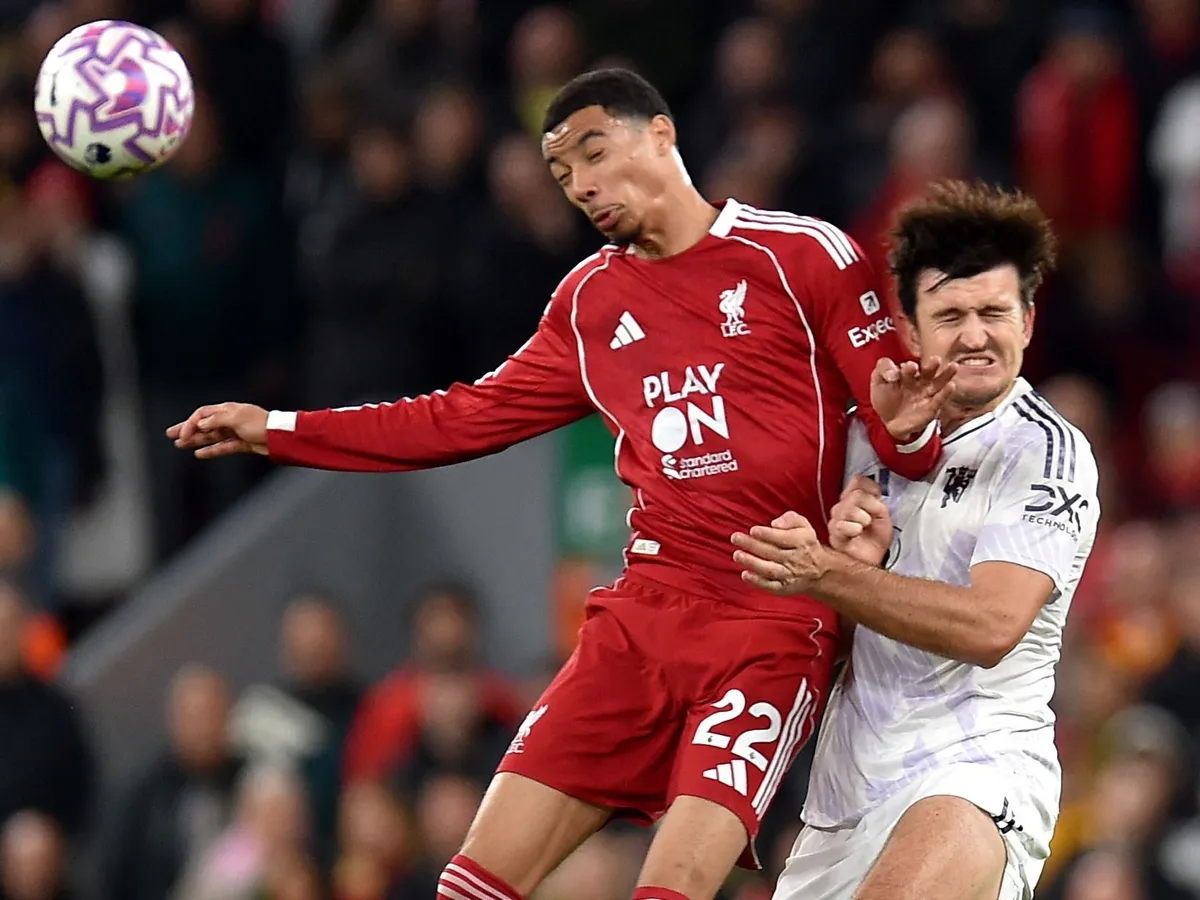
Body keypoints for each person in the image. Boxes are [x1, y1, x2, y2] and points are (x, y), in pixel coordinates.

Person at [168, 68, 955, 900]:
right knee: (468, 887)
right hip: (641, 621)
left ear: (660, 135)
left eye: (593, 152)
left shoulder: (805, 257)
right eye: (561, 173)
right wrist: (279, 429)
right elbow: (457, 418)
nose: (581, 184)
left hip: (771, 624)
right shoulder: (588, 304)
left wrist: (907, 427)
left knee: (671, 890)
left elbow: (908, 447)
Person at [730, 180, 1099, 900]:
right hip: (843, 799)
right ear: (910, 328)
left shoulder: (1044, 451)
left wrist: (831, 573)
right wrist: (844, 583)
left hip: (975, 774)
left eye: (994, 312)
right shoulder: (862, 439)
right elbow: (821, 636)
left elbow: (993, 624)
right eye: (950, 314)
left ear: (1027, 321)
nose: (974, 335)